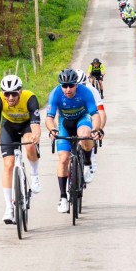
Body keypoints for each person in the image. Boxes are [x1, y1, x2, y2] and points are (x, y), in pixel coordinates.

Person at [44, 69, 103, 213]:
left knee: (84, 134)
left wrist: (96, 129)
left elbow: (95, 115)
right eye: (64, 86)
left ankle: (88, 163)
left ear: (76, 85)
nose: (68, 89)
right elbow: (49, 117)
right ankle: (63, 197)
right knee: (63, 158)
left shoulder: (85, 92)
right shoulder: (55, 93)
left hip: (83, 119)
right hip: (65, 122)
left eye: (71, 85)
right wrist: (52, 129)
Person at [0, 75, 42, 224]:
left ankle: (34, 174)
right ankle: (9, 208)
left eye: (14, 93)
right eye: (7, 93)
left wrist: (36, 136)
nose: (10, 97)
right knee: (8, 164)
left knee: (29, 144)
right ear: (2, 93)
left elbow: (35, 125)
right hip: (9, 127)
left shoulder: (30, 98)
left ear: (20, 91)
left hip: (26, 126)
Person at [75, 69, 106, 178]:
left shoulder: (92, 91)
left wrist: (99, 129)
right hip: (73, 116)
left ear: (85, 83)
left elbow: (101, 112)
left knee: (89, 134)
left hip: (89, 115)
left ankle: (91, 157)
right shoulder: (67, 91)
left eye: (81, 85)